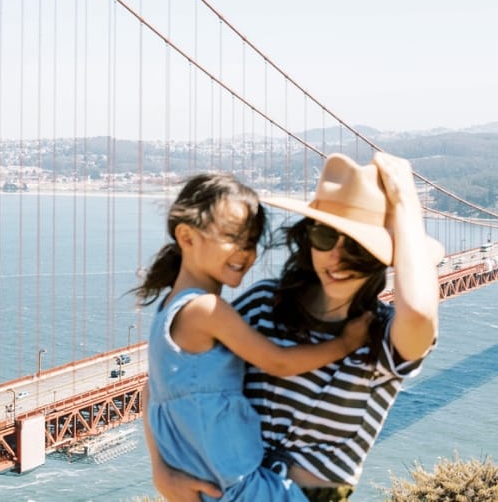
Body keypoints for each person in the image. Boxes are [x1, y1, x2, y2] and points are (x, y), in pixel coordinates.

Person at [152, 152, 445, 502]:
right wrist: (163, 474)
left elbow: (419, 311)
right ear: (307, 237)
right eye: (324, 237)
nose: (336, 260)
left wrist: (406, 206)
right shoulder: (263, 305)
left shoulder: (381, 335)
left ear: (386, 258)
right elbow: (164, 379)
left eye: (358, 248)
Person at [136, 172, 374, 502]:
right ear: (187, 237)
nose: (244, 253)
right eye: (232, 237)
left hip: (213, 488)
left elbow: (150, 391)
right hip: (243, 490)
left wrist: (161, 470)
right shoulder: (207, 309)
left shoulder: (168, 308)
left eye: (251, 242)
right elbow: (278, 361)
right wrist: (346, 344)